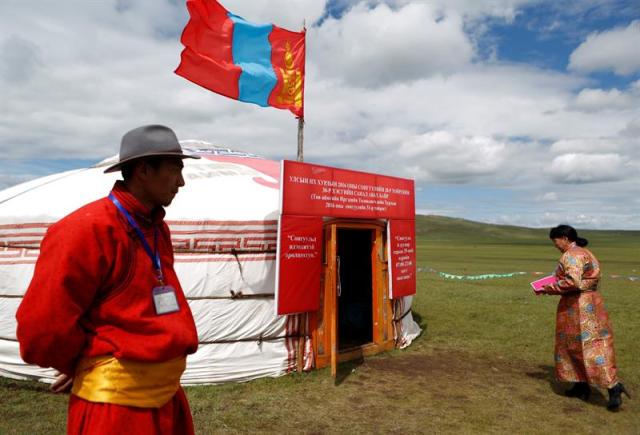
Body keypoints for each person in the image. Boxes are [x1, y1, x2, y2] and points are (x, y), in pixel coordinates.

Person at [16, 125, 200, 434]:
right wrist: (82, 361)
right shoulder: (85, 229)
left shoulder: (156, 229)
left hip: (168, 400)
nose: (181, 182)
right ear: (143, 170)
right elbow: (42, 328)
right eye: (174, 170)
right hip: (117, 414)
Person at [541, 224, 630, 412]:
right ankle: (581, 385)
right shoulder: (584, 252)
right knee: (575, 344)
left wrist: (549, 288)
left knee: (591, 346)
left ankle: (613, 387)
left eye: (555, 240)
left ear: (565, 238)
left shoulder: (572, 255)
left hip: (579, 305)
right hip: (589, 303)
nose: (555, 245)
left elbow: (573, 282)